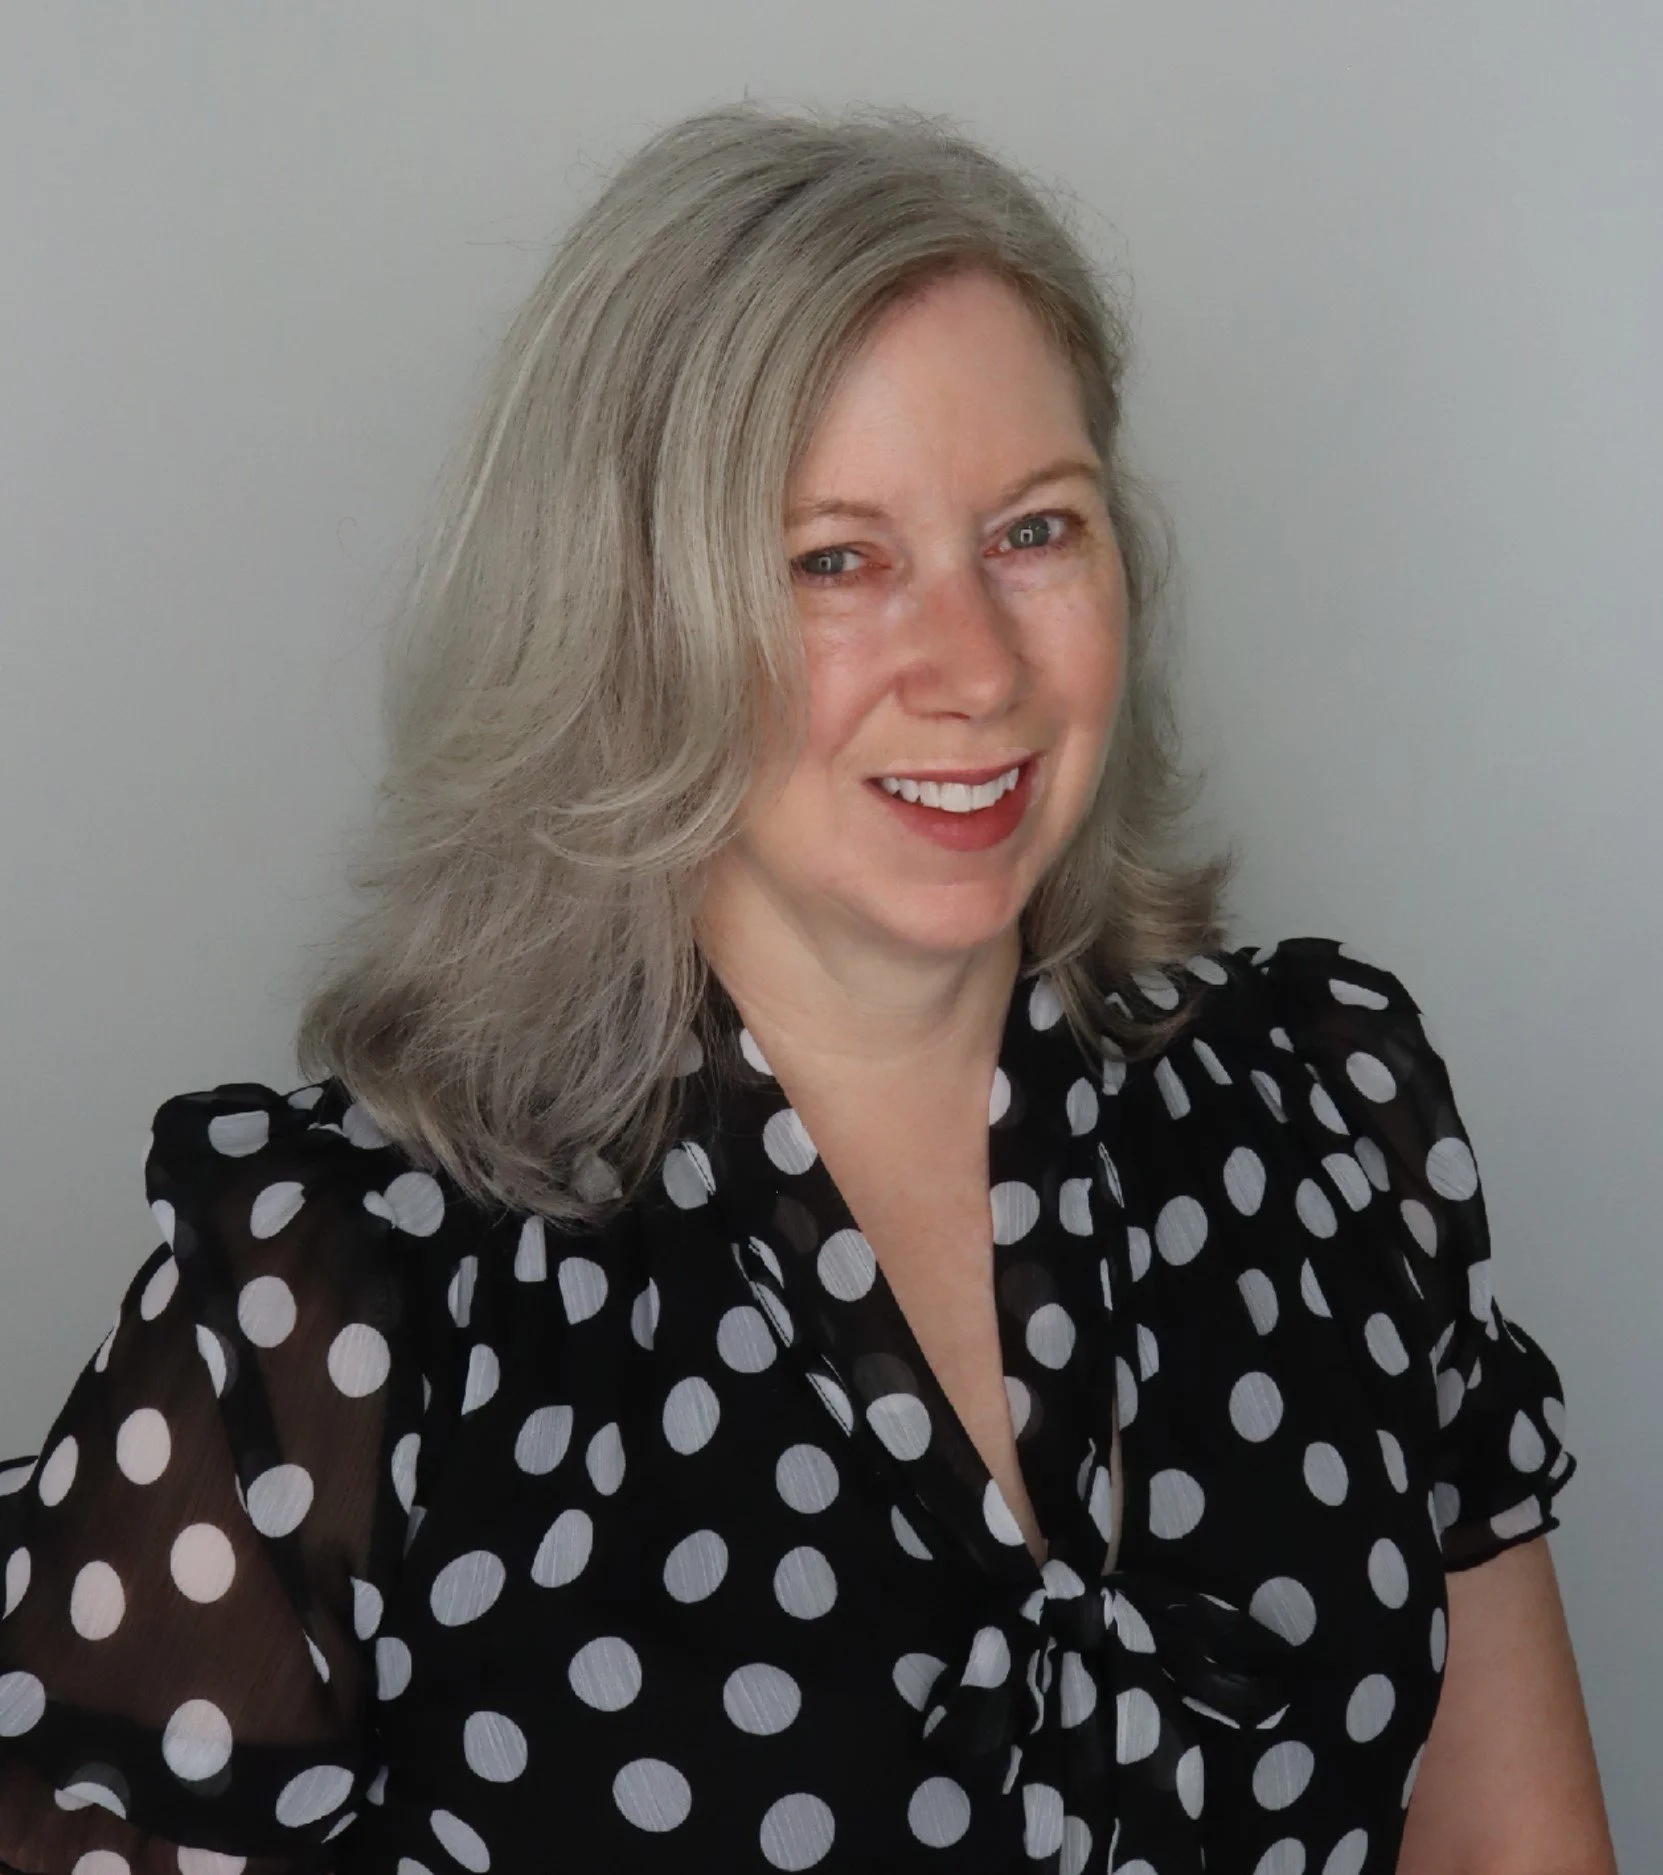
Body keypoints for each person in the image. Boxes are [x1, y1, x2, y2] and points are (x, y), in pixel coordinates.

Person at [0, 103, 1614, 1875]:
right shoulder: (333, 1298)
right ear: (630, 619)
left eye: (1033, 532)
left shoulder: (1328, 1122)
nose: (974, 666)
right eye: (832, 559)